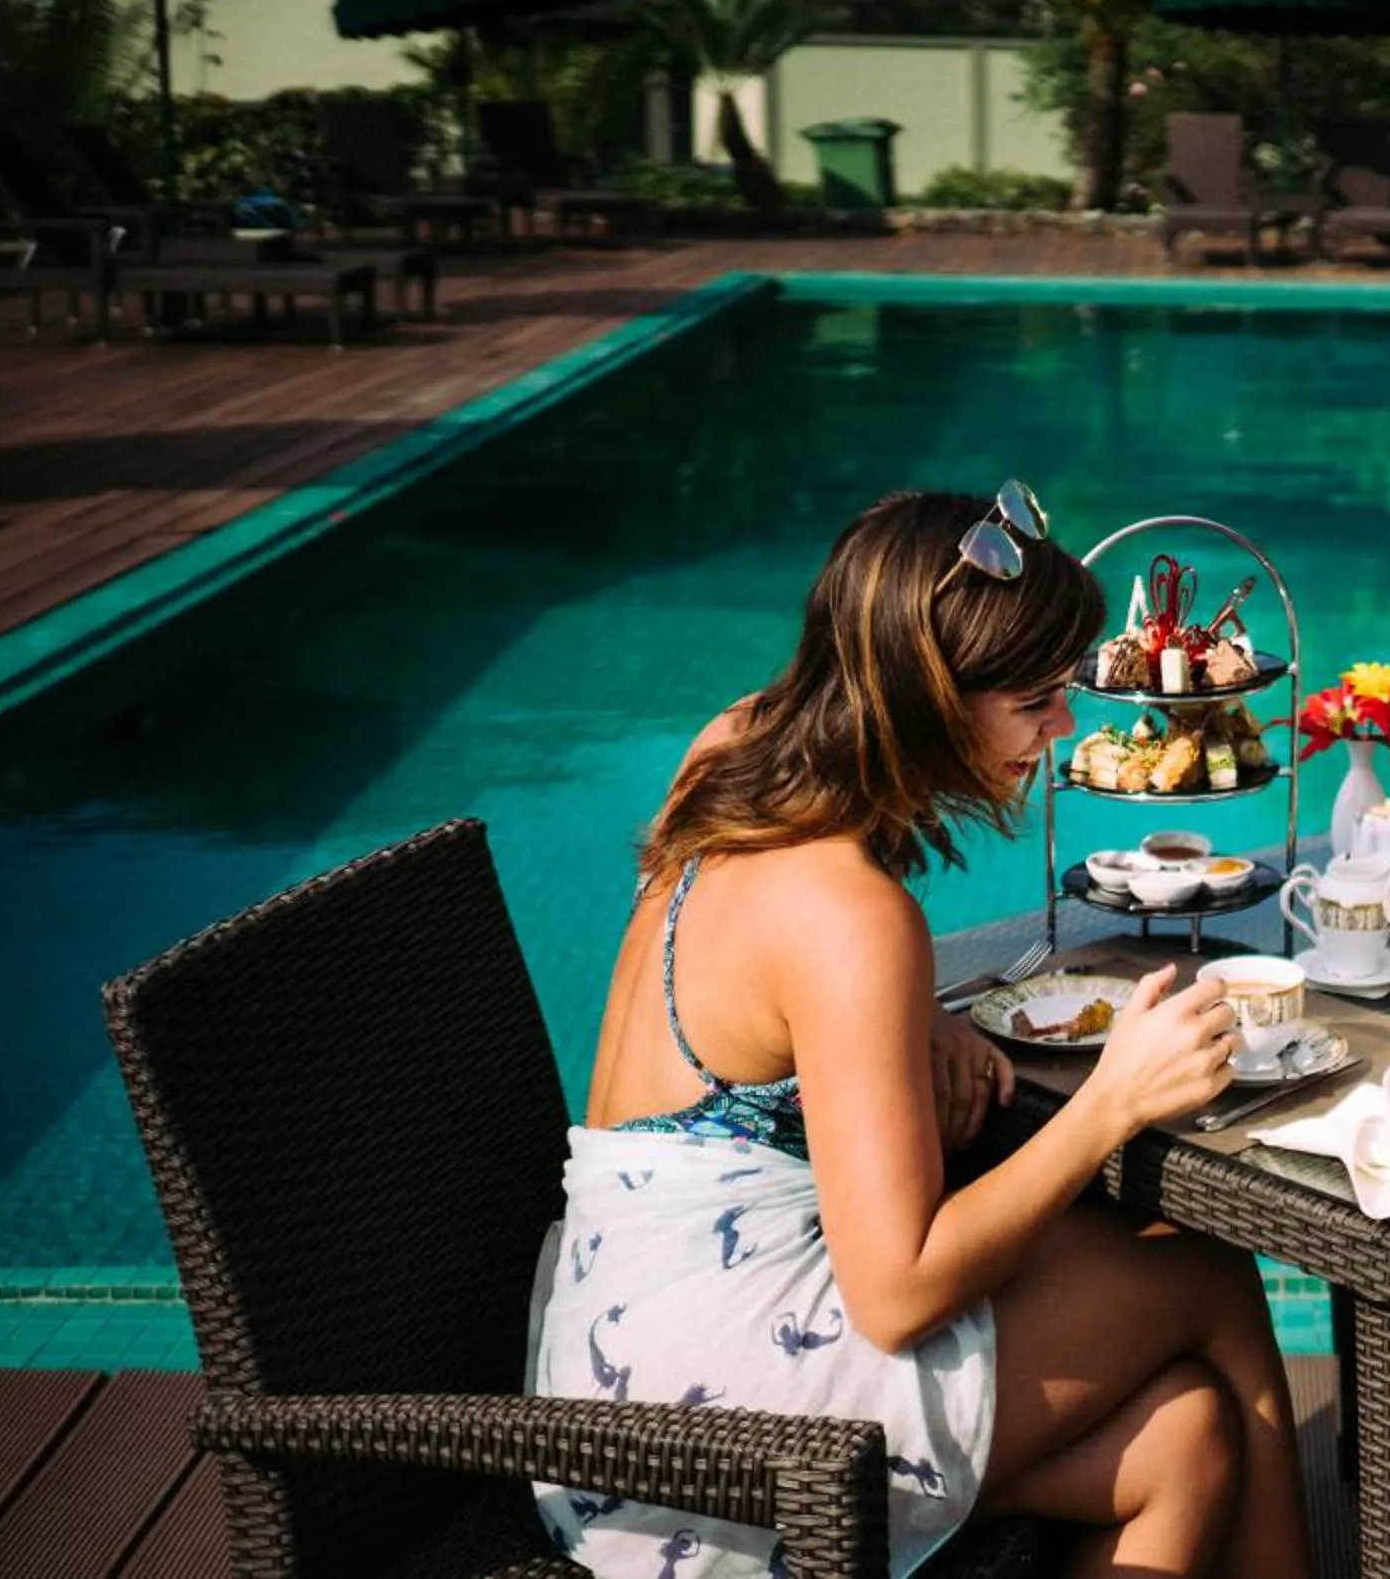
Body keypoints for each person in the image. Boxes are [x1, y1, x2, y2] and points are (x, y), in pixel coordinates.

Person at [528, 484, 1310, 1579]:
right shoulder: (850, 916)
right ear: (930, 698)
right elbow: (896, 1291)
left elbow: (742, 988)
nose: (1063, 727)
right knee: (1210, 1276)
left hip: (604, 1367)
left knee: (1185, 1433)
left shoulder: (736, 744)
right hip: (708, 1441)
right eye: (1036, 699)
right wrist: (1112, 1100)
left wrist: (895, 1031)